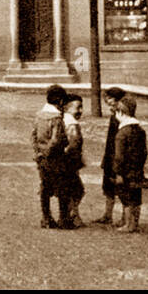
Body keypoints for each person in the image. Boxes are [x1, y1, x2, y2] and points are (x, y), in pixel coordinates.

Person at [31, 84, 69, 229]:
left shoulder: (39, 115)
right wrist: (47, 152)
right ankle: (63, 219)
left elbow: (33, 135)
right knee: (62, 187)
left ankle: (46, 218)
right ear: (59, 101)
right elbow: (55, 139)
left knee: (45, 187)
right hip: (55, 157)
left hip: (41, 156)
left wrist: (38, 153)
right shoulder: (56, 118)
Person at [111, 95, 148, 233]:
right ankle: (135, 223)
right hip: (137, 170)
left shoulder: (122, 134)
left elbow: (119, 156)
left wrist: (118, 172)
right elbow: (144, 152)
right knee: (137, 197)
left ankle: (129, 224)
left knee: (126, 198)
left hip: (125, 172)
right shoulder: (140, 130)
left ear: (120, 113)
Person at [93, 86, 127, 225]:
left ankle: (125, 217)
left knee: (121, 188)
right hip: (110, 154)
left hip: (117, 155)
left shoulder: (122, 116)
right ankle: (108, 214)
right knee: (108, 187)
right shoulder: (115, 114)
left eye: (110, 98)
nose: (107, 101)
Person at [59, 93, 85, 228]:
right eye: (78, 108)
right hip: (70, 161)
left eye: (81, 107)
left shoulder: (62, 120)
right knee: (77, 190)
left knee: (73, 190)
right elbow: (74, 143)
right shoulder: (72, 124)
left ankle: (73, 214)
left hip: (66, 161)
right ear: (66, 108)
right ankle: (71, 215)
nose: (80, 111)